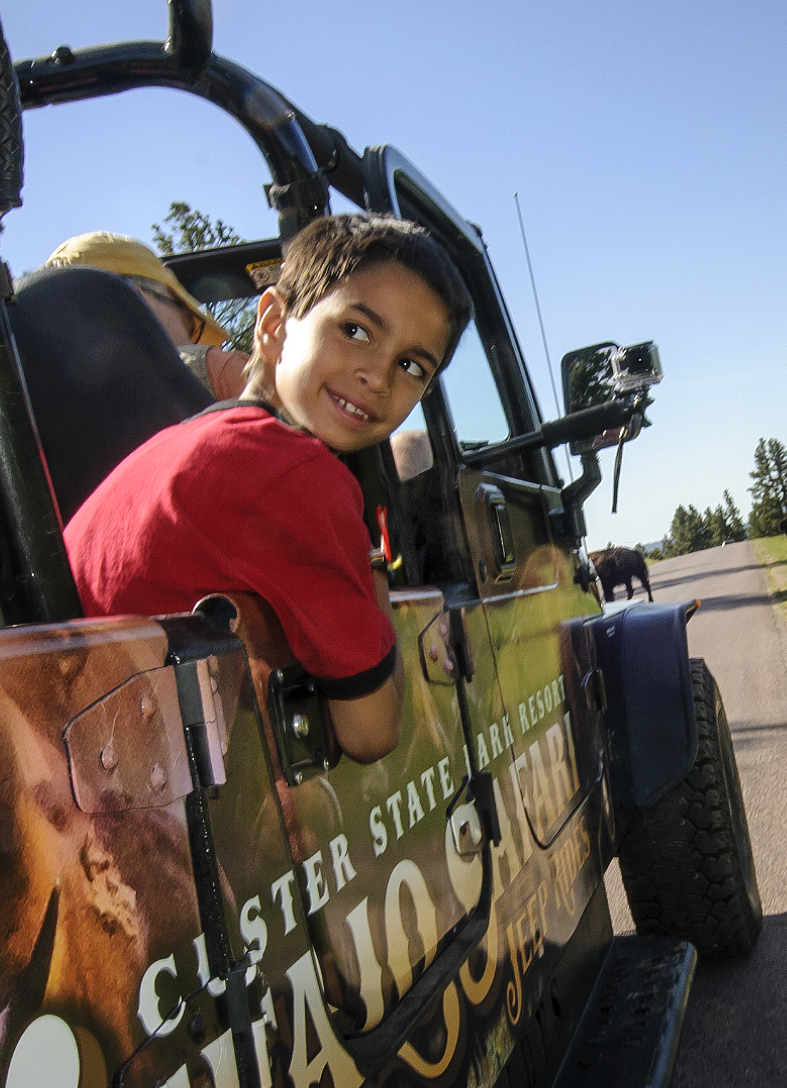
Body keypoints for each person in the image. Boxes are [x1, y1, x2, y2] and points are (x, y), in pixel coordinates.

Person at [64, 214, 472, 762]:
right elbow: (372, 733)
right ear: (274, 323)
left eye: (411, 365)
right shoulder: (296, 475)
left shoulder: (184, 441)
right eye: (355, 330)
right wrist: (372, 563)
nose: (378, 376)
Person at [42, 231, 251, 400]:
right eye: (179, 303)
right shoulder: (216, 369)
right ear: (136, 300)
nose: (190, 323)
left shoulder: (54, 412)